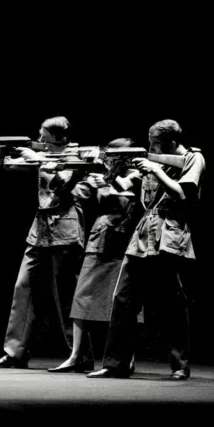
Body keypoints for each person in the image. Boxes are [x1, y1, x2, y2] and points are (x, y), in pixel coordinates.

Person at [88, 120, 204, 380]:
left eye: (154, 144)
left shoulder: (192, 158)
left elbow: (183, 193)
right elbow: (123, 187)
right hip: (143, 233)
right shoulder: (154, 160)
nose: (150, 148)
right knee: (123, 299)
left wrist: (155, 169)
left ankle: (180, 366)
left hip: (170, 233)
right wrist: (111, 167)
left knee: (172, 303)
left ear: (172, 144)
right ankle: (116, 364)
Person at [0, 116, 87, 369]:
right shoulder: (44, 154)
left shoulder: (76, 155)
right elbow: (8, 166)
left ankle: (79, 354)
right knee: (23, 288)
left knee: (66, 295)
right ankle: (15, 352)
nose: (39, 140)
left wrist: (39, 159)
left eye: (44, 137)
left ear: (60, 138)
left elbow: (63, 184)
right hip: (39, 229)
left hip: (65, 227)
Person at [48, 138, 143, 373]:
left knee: (123, 304)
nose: (109, 158)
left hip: (126, 241)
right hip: (100, 239)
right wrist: (63, 175)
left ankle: (124, 357)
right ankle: (77, 355)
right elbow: (71, 194)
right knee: (82, 296)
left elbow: (129, 192)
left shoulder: (138, 172)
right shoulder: (99, 175)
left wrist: (108, 178)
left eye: (113, 155)